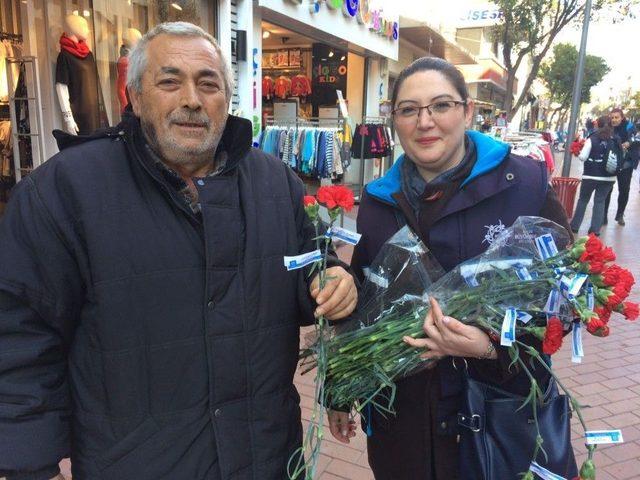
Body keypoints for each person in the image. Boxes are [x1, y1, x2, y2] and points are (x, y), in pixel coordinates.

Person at [0, 22, 357, 480]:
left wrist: (332, 281)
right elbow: (21, 336)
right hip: (135, 463)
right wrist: (31, 466)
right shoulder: (66, 190)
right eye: (170, 81)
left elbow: (306, 267)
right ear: (135, 95)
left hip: (268, 457)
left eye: (208, 83)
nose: (191, 98)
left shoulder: (274, 182)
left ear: (226, 99)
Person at [327, 57, 573, 479]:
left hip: (498, 417)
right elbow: (366, 299)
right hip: (403, 424)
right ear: (394, 120)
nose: (425, 122)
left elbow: (566, 294)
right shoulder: (377, 201)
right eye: (409, 109)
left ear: (467, 111)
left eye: (440, 105)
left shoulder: (523, 184)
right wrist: (340, 385)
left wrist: (490, 345)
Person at [569, 116, 622, 236]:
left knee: (583, 200)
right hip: (609, 177)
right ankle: (595, 230)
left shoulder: (592, 138)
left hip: (590, 176)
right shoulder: (616, 139)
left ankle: (575, 226)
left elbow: (583, 157)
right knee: (600, 202)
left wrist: (578, 152)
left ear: (597, 125)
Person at [603, 107, 636, 225]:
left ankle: (620, 215)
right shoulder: (608, 128)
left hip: (626, 164)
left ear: (622, 118)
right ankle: (603, 216)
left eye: (617, 117)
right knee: (607, 189)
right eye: (612, 117)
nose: (614, 120)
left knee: (624, 190)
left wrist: (629, 142)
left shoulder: (629, 126)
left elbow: (634, 136)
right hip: (610, 163)